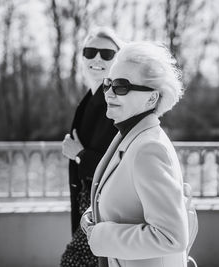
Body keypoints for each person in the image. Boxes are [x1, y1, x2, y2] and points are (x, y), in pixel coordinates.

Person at [80, 42, 190, 267]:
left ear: (151, 99)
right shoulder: (130, 136)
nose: (109, 93)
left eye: (121, 86)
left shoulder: (148, 149)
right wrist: (93, 215)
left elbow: (172, 236)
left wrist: (99, 235)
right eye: (108, 84)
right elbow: (128, 201)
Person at [61, 27, 124, 267]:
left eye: (107, 54)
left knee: (73, 261)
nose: (97, 58)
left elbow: (120, 163)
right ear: (83, 57)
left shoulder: (115, 101)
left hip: (101, 204)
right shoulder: (91, 97)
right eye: (90, 51)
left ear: (119, 59)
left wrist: (79, 154)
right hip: (88, 199)